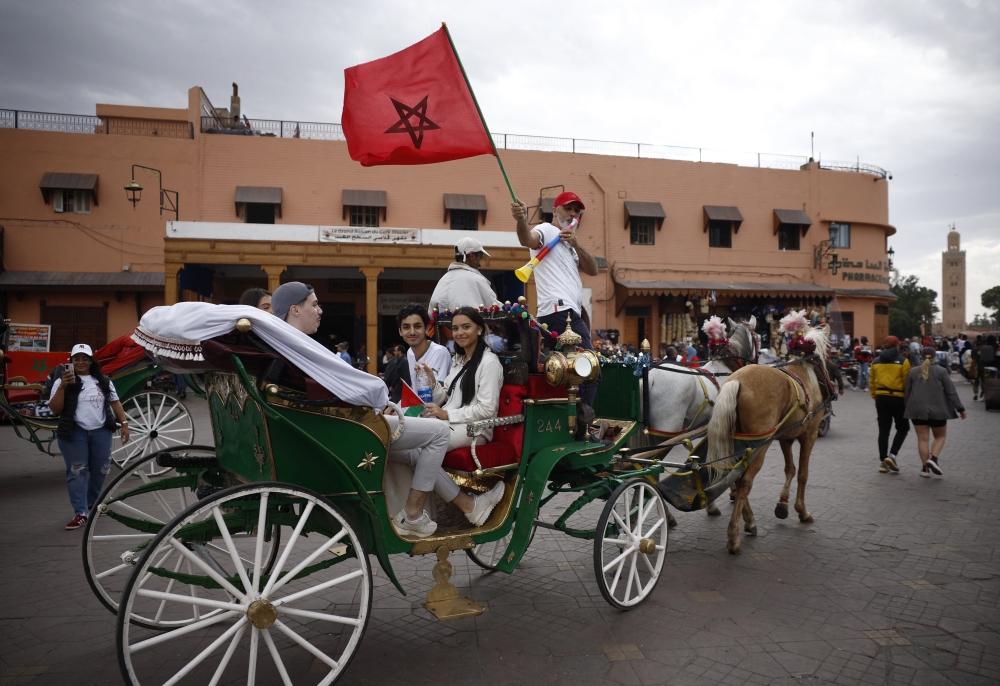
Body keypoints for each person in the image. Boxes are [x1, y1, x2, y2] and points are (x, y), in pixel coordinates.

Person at [271, 284, 481, 538]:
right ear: (294, 310)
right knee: (437, 433)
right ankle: (414, 513)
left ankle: (458, 505)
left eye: (465, 327)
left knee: (419, 446)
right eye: (314, 304)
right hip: (348, 425)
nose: (320, 310)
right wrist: (379, 399)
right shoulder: (299, 344)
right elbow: (360, 386)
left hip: (343, 420)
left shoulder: (287, 342)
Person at [511, 191, 600, 403]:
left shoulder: (571, 244)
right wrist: (522, 219)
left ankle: (572, 420)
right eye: (567, 208)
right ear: (554, 210)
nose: (572, 214)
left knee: (564, 372)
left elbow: (594, 270)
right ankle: (584, 423)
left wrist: (576, 244)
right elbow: (527, 239)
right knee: (591, 368)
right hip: (562, 313)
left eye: (576, 211)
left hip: (560, 313)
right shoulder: (546, 229)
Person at [48, 343, 131, 530]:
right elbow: (55, 409)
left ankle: (92, 503)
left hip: (101, 430)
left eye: (85, 359)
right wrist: (62, 386)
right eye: (76, 359)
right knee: (77, 470)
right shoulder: (61, 381)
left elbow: (115, 402)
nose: (81, 362)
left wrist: (124, 424)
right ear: (70, 362)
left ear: (92, 361)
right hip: (74, 431)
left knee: (102, 469)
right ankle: (80, 513)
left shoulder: (103, 380)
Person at [419, 307, 504, 451]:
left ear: (479, 329)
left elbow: (487, 409)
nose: (459, 333)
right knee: (404, 444)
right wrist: (432, 380)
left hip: (475, 429)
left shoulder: (489, 362)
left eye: (466, 327)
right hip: (449, 423)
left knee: (419, 446)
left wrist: (447, 414)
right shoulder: (458, 359)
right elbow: (445, 397)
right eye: (455, 328)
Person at [905, 346, 967, 477]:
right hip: (938, 410)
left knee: (922, 439)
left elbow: (907, 393)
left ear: (920, 357)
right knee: (940, 436)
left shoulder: (913, 372)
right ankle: (933, 459)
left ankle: (925, 470)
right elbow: (951, 392)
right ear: (935, 357)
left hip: (917, 410)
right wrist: (960, 408)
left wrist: (908, 408)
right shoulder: (942, 371)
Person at [869, 336, 911, 474]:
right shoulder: (903, 362)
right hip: (898, 398)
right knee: (903, 428)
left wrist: (876, 397)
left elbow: (872, 383)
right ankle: (892, 455)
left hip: (881, 398)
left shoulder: (875, 362)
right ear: (897, 346)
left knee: (883, 431)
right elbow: (907, 383)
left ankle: (882, 462)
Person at [396, 303, 452, 401]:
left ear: (426, 329)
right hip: (420, 413)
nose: (412, 332)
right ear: (400, 331)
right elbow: (415, 390)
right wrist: (397, 407)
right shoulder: (410, 353)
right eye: (406, 327)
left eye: (417, 326)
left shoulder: (439, 352)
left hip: (438, 414)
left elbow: (436, 398)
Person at [427, 237, 497, 313]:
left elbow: (431, 313)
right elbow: (494, 307)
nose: (480, 264)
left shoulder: (443, 280)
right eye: (480, 258)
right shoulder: (477, 280)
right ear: (472, 255)